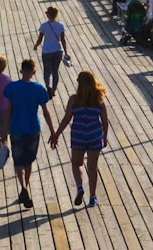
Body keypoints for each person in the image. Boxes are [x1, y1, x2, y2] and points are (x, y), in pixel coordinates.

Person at [50, 71, 109, 207]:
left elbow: (67, 118)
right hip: (94, 136)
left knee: (77, 164)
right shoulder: (99, 100)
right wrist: (104, 137)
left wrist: (56, 134)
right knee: (92, 168)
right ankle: (93, 197)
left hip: (78, 135)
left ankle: (80, 187)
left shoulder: (74, 100)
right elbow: (105, 121)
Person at [2, 59, 55, 209]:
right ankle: (25, 187)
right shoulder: (38, 89)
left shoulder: (11, 87)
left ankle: (23, 188)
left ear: (21, 70)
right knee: (29, 161)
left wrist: (4, 132)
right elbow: (45, 112)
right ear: (34, 71)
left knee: (18, 161)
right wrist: (53, 132)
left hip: (16, 128)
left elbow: (8, 111)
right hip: (33, 129)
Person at [34, 6, 69, 98]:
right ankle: (53, 90)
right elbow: (63, 40)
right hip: (58, 51)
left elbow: (40, 39)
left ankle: (47, 87)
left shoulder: (44, 26)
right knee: (55, 71)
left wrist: (36, 46)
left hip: (46, 51)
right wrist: (66, 52)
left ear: (48, 14)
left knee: (47, 71)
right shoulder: (60, 25)